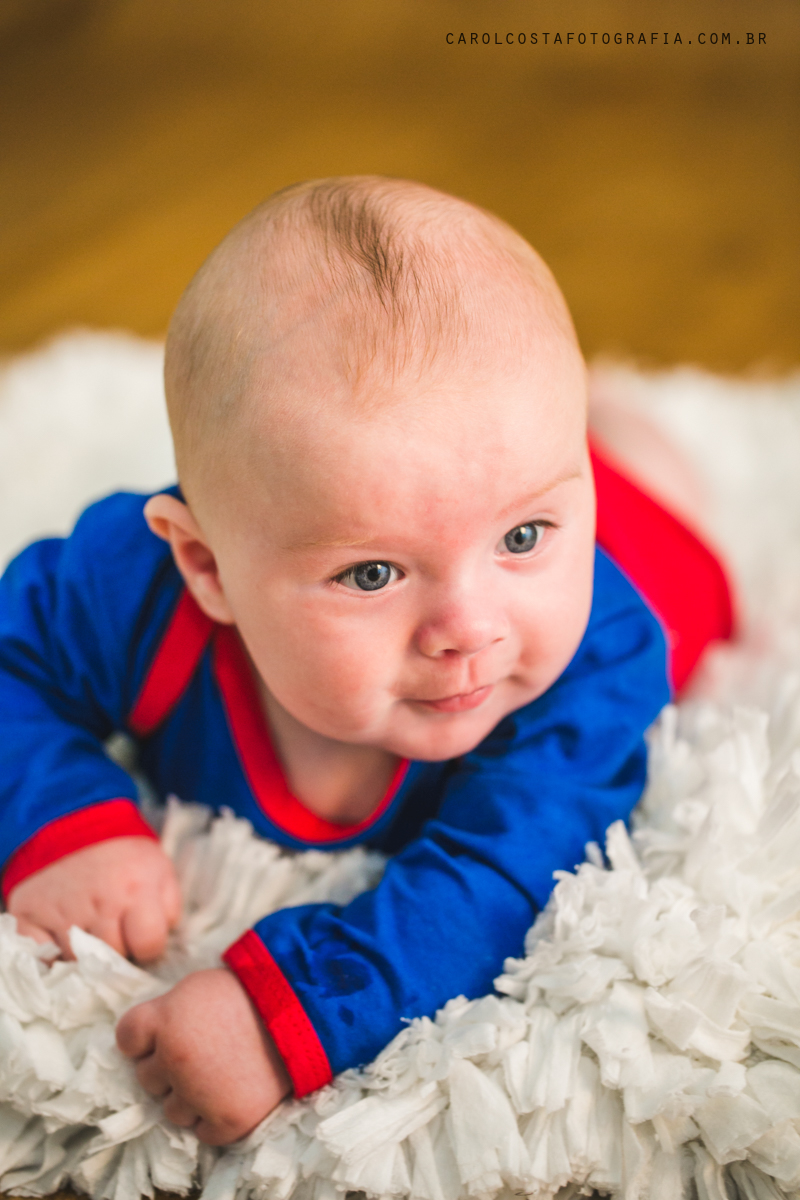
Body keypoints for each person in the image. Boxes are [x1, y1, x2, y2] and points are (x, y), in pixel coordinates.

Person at [0, 177, 733, 1146]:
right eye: (374, 571)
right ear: (207, 566)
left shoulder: (591, 667)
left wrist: (284, 1012)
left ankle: (613, 453)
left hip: (653, 562)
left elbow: (498, 883)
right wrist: (60, 815)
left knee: (664, 507)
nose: (467, 628)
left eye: (523, 537)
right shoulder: (133, 588)